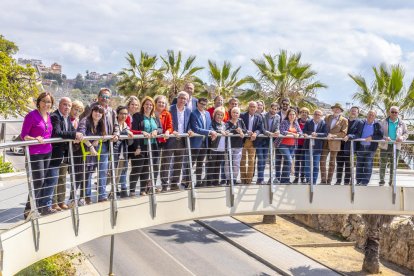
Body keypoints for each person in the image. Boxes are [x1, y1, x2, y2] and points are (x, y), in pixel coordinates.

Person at [43, 98, 83, 213]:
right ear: (59, 105)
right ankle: (53, 203)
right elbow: (58, 132)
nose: (67, 108)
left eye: (69, 106)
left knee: (62, 178)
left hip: (65, 153)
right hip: (55, 153)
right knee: (54, 178)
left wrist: (76, 135)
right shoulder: (55, 116)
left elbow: (70, 131)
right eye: (65, 105)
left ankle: (61, 201)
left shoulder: (66, 118)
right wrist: (74, 134)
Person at [80, 88, 120, 201]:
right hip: (90, 145)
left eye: (107, 97)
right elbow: (82, 122)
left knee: (103, 172)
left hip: (105, 145)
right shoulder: (90, 107)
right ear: (98, 97)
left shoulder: (112, 111)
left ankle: (102, 196)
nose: (105, 98)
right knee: (89, 172)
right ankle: (86, 196)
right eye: (103, 96)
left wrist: (116, 134)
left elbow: (116, 126)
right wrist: (90, 143)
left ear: (110, 99)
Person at [20, 92, 54, 217]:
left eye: (49, 102)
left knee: (43, 181)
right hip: (35, 153)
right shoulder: (31, 115)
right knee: (38, 181)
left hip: (47, 152)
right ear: (38, 102)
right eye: (44, 101)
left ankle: (37, 208)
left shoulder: (49, 116)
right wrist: (35, 138)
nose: (46, 104)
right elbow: (24, 136)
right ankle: (29, 209)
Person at [130, 96, 163, 196]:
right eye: (147, 104)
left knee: (146, 169)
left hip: (152, 146)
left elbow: (161, 129)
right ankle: (131, 190)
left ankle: (142, 190)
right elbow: (134, 131)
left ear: (153, 106)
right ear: (143, 105)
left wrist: (156, 130)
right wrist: (137, 147)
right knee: (137, 168)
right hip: (140, 146)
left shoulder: (155, 117)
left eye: (151, 104)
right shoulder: (137, 116)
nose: (149, 106)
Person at [75, 104, 107, 204]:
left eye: (100, 112)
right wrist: (90, 146)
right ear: (92, 111)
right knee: (84, 174)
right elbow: (81, 135)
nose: (98, 114)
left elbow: (103, 134)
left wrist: (98, 140)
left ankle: (86, 197)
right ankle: (83, 197)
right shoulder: (85, 120)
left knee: (90, 172)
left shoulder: (101, 123)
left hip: (93, 151)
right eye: (96, 111)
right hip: (84, 151)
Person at [162, 91, 193, 190]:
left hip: (182, 140)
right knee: (166, 162)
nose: (182, 100)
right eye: (181, 98)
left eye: (185, 99)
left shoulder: (188, 111)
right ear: (177, 98)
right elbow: (165, 123)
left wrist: (189, 130)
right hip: (170, 139)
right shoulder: (170, 109)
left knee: (178, 163)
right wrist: (171, 132)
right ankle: (164, 184)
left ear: (187, 100)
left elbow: (189, 125)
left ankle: (174, 183)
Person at [189, 98, 217, 186]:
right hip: (196, 142)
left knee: (200, 163)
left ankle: (198, 181)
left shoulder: (208, 113)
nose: (203, 106)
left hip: (205, 143)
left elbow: (209, 126)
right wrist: (209, 132)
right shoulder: (193, 113)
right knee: (191, 163)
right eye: (201, 104)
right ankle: (187, 181)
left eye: (205, 104)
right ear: (197, 103)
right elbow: (195, 128)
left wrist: (213, 131)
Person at [379, 106, 408, 186]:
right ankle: (381, 181)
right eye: (392, 112)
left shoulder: (402, 123)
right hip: (385, 146)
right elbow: (379, 133)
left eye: (396, 112)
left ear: (398, 113)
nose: (394, 113)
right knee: (383, 164)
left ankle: (391, 182)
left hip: (396, 147)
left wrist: (402, 137)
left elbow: (406, 133)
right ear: (389, 112)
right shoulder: (383, 121)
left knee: (394, 165)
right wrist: (385, 138)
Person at [320, 103, 348, 184]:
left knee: (332, 163)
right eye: (335, 108)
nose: (336, 110)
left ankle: (329, 181)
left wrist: (334, 135)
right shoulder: (327, 117)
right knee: (322, 161)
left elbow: (344, 133)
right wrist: (326, 134)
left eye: (338, 109)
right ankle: (323, 180)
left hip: (335, 143)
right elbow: (323, 128)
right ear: (332, 109)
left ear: (341, 111)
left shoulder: (344, 120)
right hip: (325, 142)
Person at [336, 106, 363, 185]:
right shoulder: (344, 120)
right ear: (349, 111)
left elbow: (358, 134)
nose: (353, 112)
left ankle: (346, 182)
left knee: (348, 166)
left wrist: (349, 136)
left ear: (357, 113)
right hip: (340, 145)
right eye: (352, 111)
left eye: (355, 111)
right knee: (339, 164)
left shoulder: (359, 122)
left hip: (350, 147)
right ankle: (338, 181)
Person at [355, 110, 383, 185]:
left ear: (375, 117)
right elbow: (357, 133)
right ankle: (358, 181)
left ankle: (365, 182)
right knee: (359, 165)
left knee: (368, 165)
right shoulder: (361, 123)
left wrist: (372, 137)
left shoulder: (377, 125)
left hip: (371, 148)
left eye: (373, 115)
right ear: (367, 115)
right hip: (360, 147)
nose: (371, 116)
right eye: (369, 114)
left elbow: (380, 136)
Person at [256, 102, 280, 184]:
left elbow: (277, 127)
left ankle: (261, 179)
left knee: (264, 160)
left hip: (268, 142)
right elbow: (262, 129)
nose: (274, 110)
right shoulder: (263, 115)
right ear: (270, 108)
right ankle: (260, 179)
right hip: (260, 141)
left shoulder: (277, 117)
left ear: (277, 110)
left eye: (275, 109)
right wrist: (270, 134)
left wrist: (277, 131)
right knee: (261, 160)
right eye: (272, 108)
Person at [276, 109, 302, 184]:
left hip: (293, 146)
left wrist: (298, 134)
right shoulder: (284, 122)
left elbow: (300, 132)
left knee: (287, 162)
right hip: (283, 145)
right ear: (288, 115)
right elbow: (282, 131)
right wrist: (293, 134)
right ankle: (285, 179)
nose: (292, 116)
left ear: (295, 116)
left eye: (293, 114)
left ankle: (284, 180)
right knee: (289, 160)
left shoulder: (296, 123)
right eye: (290, 114)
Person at [113, 106, 134, 197]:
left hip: (123, 152)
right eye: (121, 113)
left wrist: (128, 134)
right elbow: (114, 134)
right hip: (114, 151)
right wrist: (125, 133)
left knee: (121, 171)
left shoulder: (126, 126)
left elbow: (130, 142)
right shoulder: (114, 124)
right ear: (117, 114)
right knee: (112, 172)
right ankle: (111, 190)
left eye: (125, 114)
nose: (124, 115)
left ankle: (119, 189)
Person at [154, 95, 173, 191]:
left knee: (165, 163)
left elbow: (170, 126)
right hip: (155, 141)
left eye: (163, 103)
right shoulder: (152, 113)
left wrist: (167, 131)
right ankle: (152, 185)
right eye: (159, 102)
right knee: (155, 163)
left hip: (165, 141)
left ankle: (164, 184)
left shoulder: (167, 114)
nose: (161, 104)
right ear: (156, 103)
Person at [303, 109, 327, 184]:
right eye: (315, 114)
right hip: (308, 146)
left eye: (319, 114)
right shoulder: (308, 122)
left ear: (321, 116)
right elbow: (304, 131)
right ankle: (308, 180)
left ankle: (313, 181)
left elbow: (325, 133)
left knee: (316, 166)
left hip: (317, 147)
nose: (317, 116)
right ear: (313, 115)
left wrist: (317, 134)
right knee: (307, 164)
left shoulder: (323, 123)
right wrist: (311, 133)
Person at [225, 107, 247, 184]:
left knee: (236, 163)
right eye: (234, 112)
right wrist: (236, 131)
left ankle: (234, 178)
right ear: (231, 113)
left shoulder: (241, 121)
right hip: (230, 145)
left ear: (239, 114)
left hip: (239, 145)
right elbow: (227, 130)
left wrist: (241, 131)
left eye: (237, 113)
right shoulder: (227, 122)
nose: (235, 114)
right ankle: (228, 179)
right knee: (228, 163)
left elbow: (245, 130)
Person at [206, 107, 227, 186]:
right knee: (211, 164)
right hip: (213, 147)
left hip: (222, 148)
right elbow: (211, 130)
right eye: (218, 114)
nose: (220, 116)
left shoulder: (224, 124)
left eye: (221, 115)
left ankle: (215, 181)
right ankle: (209, 182)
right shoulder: (211, 123)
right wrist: (219, 131)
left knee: (218, 164)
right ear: (214, 115)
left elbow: (228, 130)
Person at [293, 107, 309, 183]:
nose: (304, 114)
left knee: (303, 161)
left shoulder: (309, 122)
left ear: (307, 114)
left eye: (306, 112)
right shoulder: (296, 121)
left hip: (305, 144)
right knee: (297, 161)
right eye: (302, 112)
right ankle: (296, 177)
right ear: (300, 113)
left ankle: (303, 177)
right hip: (296, 143)